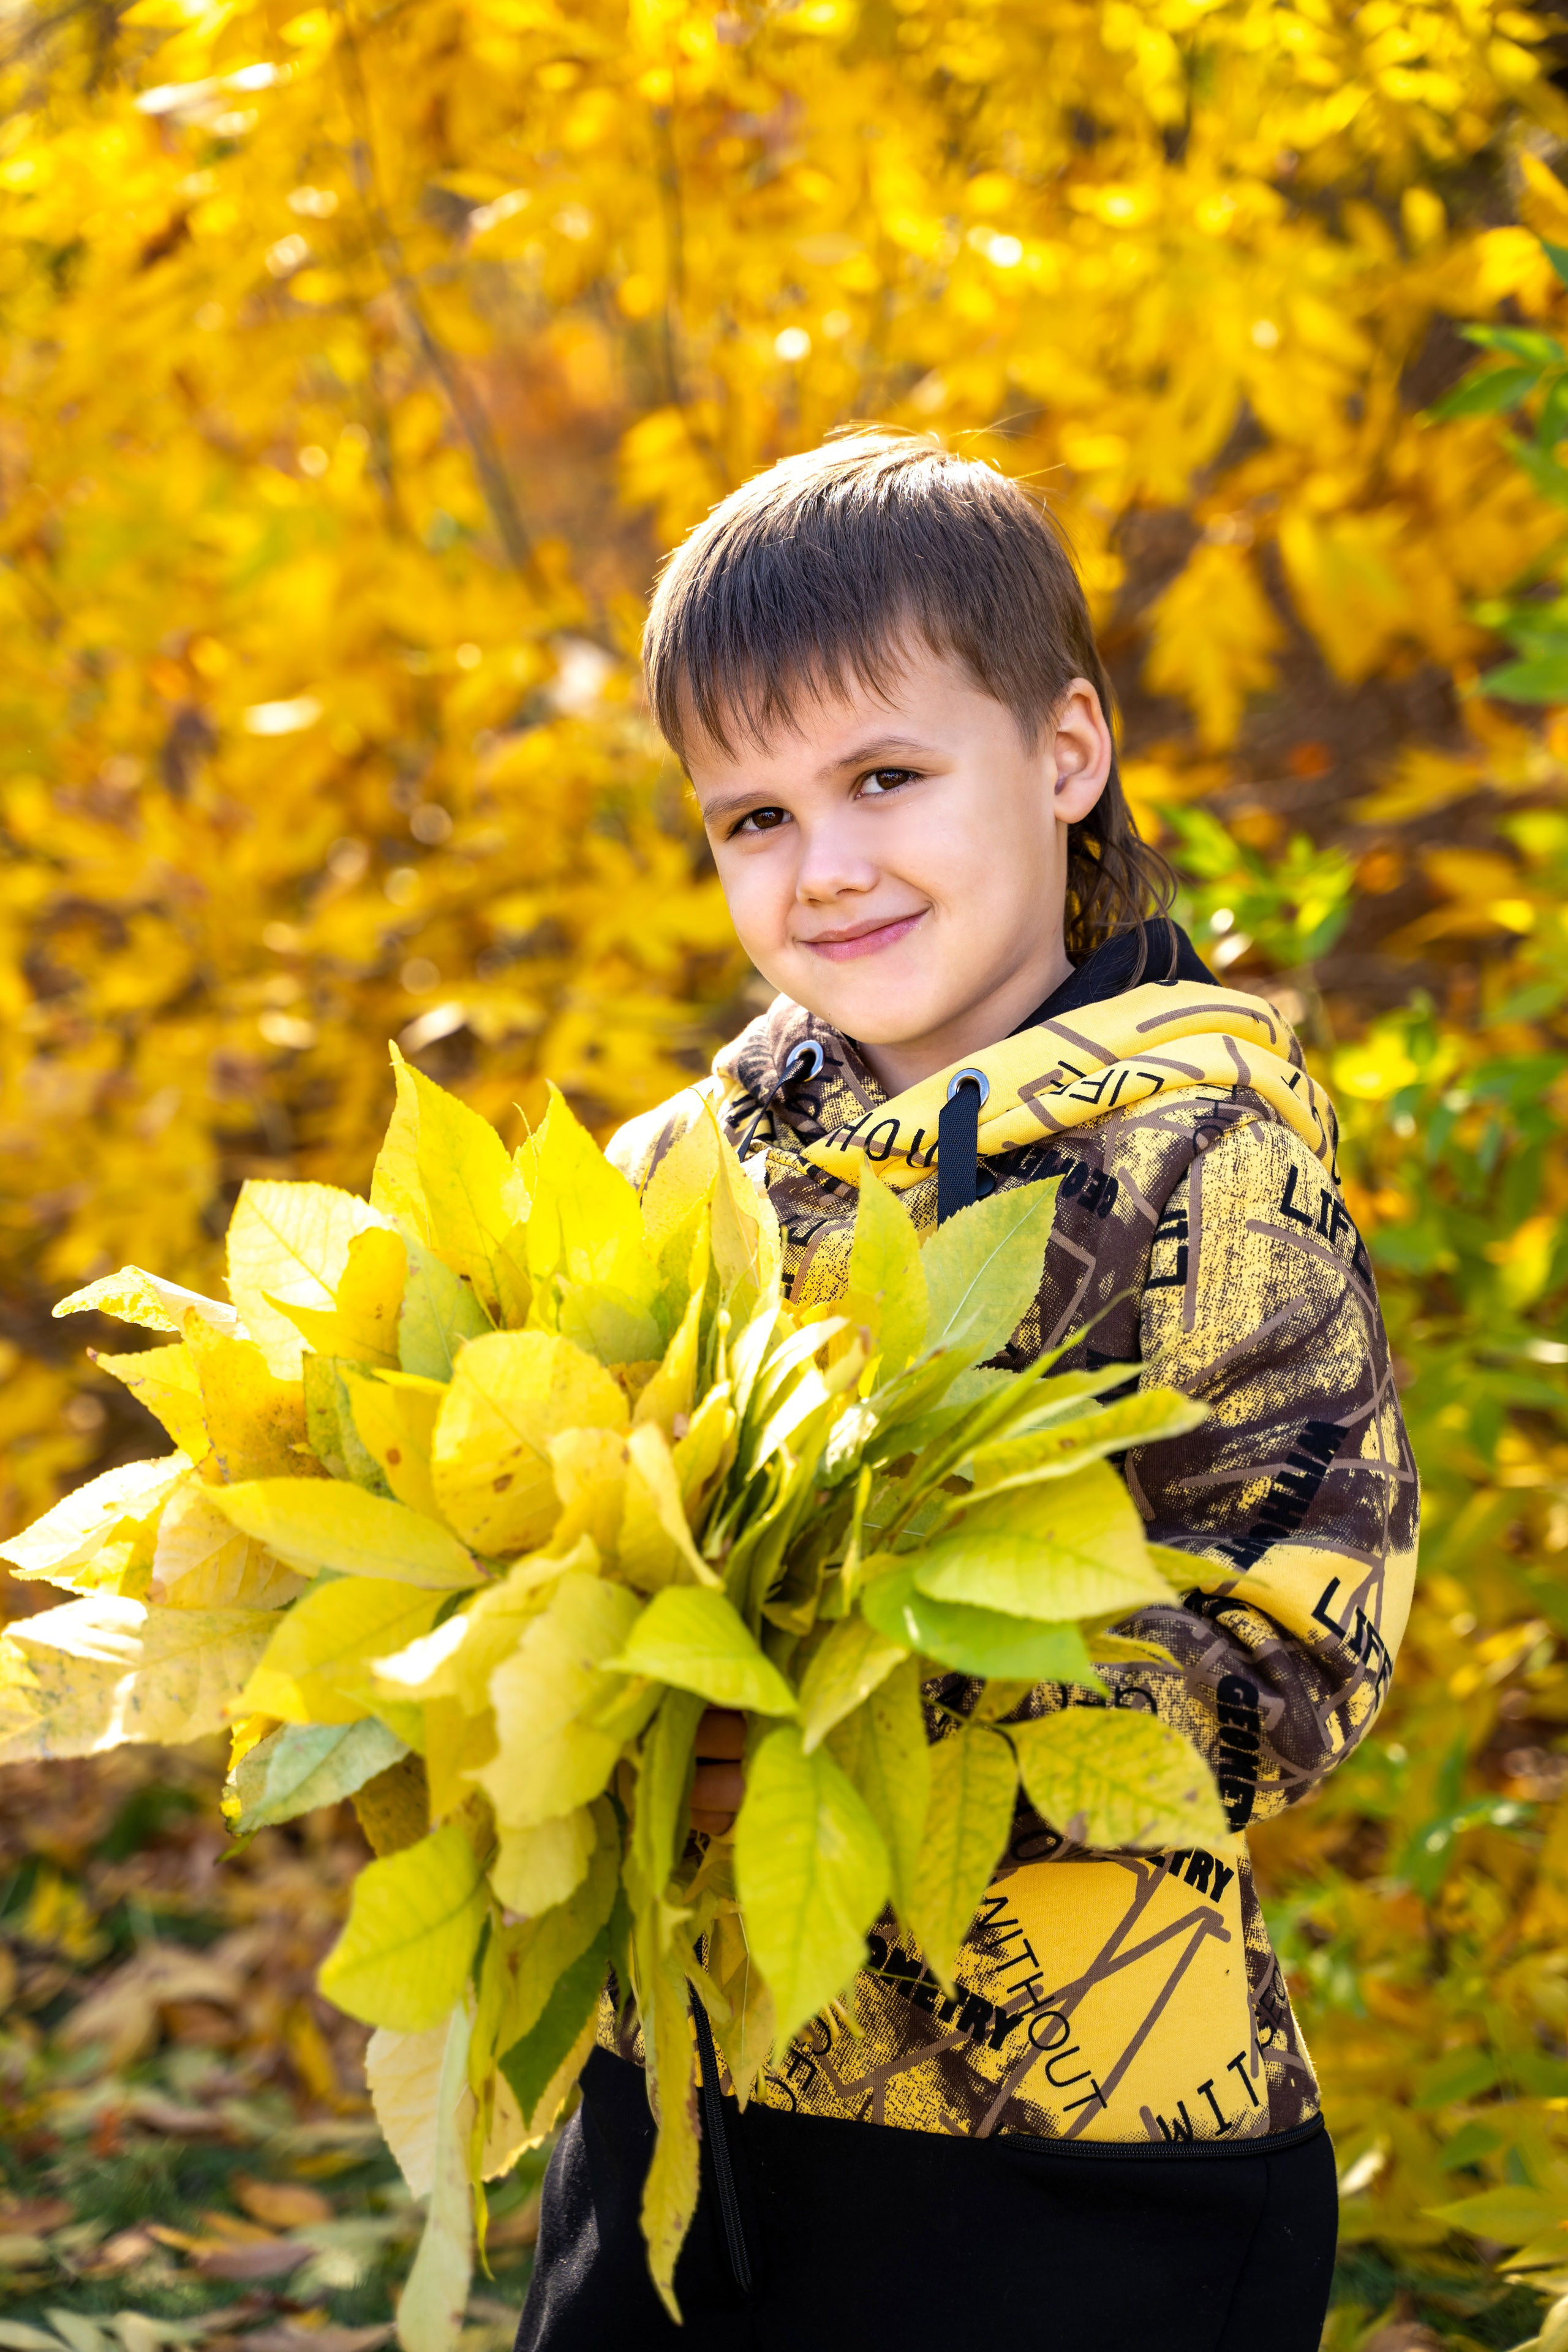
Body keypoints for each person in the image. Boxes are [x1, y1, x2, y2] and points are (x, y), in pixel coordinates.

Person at [515, 432, 1417, 2351]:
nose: (824, 866)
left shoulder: (1201, 1161)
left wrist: (874, 1708)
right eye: (749, 819)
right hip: (697, 2100)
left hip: (1067, 2148)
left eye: (888, 779)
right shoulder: (691, 1168)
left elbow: (1298, 1672)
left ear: (1065, 754)